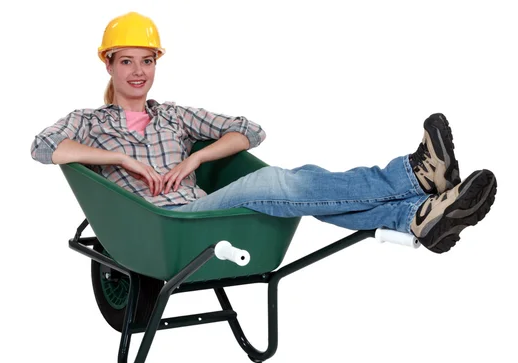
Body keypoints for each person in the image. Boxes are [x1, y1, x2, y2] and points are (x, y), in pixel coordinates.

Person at [30, 11, 497, 254]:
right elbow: (43, 147)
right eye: (126, 61)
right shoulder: (90, 121)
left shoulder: (173, 114)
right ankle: (412, 178)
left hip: (201, 210)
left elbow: (248, 132)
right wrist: (122, 160)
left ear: (157, 64)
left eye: (146, 60)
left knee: (293, 181)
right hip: (162, 226)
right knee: (273, 183)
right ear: (107, 62)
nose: (137, 72)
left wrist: (195, 159)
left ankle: (415, 215)